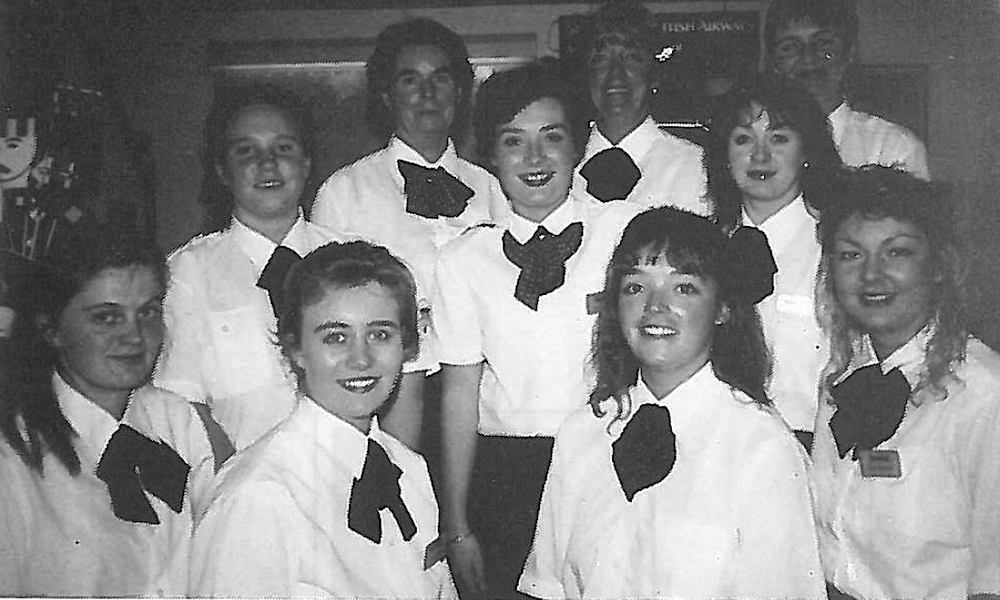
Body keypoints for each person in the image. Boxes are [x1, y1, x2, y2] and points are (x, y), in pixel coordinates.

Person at [518, 206, 824, 598]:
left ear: (723, 308)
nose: (654, 306)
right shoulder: (582, 432)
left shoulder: (762, 447)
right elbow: (549, 586)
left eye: (684, 288)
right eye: (635, 287)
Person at [434, 59, 641, 600]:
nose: (534, 158)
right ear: (490, 153)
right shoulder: (463, 260)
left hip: (606, 458)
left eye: (552, 137)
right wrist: (456, 524)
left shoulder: (624, 233)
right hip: (505, 474)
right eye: (513, 141)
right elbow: (459, 394)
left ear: (578, 146)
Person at [155, 85, 430, 453]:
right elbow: (183, 402)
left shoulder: (359, 261)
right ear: (222, 170)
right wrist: (243, 478)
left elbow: (404, 382)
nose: (267, 163)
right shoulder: (187, 272)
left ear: (306, 163)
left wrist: (389, 473)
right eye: (246, 151)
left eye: (283, 148)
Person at [190, 240, 455, 598]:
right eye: (336, 337)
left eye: (379, 334)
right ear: (296, 349)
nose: (360, 359)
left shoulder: (410, 469)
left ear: (406, 346)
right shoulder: (258, 496)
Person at [812, 166, 1000, 600]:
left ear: (939, 265)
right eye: (851, 255)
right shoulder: (839, 376)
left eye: (896, 252)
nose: (871, 275)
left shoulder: (983, 395)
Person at [0, 228, 214, 596]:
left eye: (147, 312)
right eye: (107, 318)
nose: (135, 336)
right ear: (51, 330)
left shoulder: (180, 422)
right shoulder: (12, 462)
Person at [312, 17, 505, 318]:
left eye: (440, 78)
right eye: (410, 80)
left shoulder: (492, 188)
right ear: (387, 96)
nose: (428, 93)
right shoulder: (342, 192)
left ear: (458, 92)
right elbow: (324, 304)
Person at [708, 74, 844, 446]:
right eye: (743, 139)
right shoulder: (703, 248)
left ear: (806, 152)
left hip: (810, 444)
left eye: (779, 138)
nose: (760, 155)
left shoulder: (836, 247)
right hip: (717, 443)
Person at [765, 0, 929, 179]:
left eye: (823, 43)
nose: (808, 58)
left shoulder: (894, 146)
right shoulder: (754, 146)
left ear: (849, 52)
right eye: (790, 47)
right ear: (773, 62)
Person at [573, 0, 707, 212]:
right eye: (601, 59)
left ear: (654, 75)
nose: (615, 74)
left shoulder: (695, 166)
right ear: (587, 74)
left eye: (631, 58)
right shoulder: (562, 165)